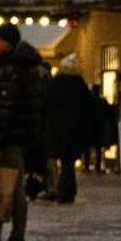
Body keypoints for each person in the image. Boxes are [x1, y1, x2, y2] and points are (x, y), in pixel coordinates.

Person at [0, 22, 46, 241]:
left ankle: (16, 238)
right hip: (19, 136)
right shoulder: (22, 67)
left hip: (11, 138)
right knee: (7, 184)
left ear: (7, 43)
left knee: (13, 187)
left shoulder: (13, 70)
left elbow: (6, 109)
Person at [43, 69, 93, 203]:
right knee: (68, 162)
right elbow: (88, 107)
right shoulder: (79, 85)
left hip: (56, 129)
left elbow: (45, 105)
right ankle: (68, 191)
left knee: (60, 160)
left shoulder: (54, 84)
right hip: (75, 129)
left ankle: (64, 190)